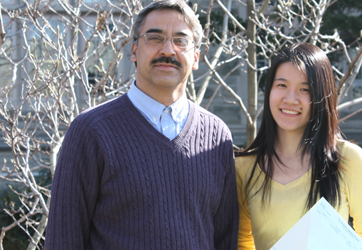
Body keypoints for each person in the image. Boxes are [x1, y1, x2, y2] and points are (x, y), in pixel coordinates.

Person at [44, 0, 238, 249]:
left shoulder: (217, 137)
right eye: (155, 38)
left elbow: (226, 239)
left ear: (196, 57)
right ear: (134, 50)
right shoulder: (91, 131)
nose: (168, 50)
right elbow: (64, 239)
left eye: (180, 40)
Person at [236, 43, 362, 250]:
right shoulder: (244, 168)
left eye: (305, 90)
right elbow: (241, 243)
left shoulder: (347, 159)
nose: (290, 99)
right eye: (281, 85)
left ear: (321, 97)